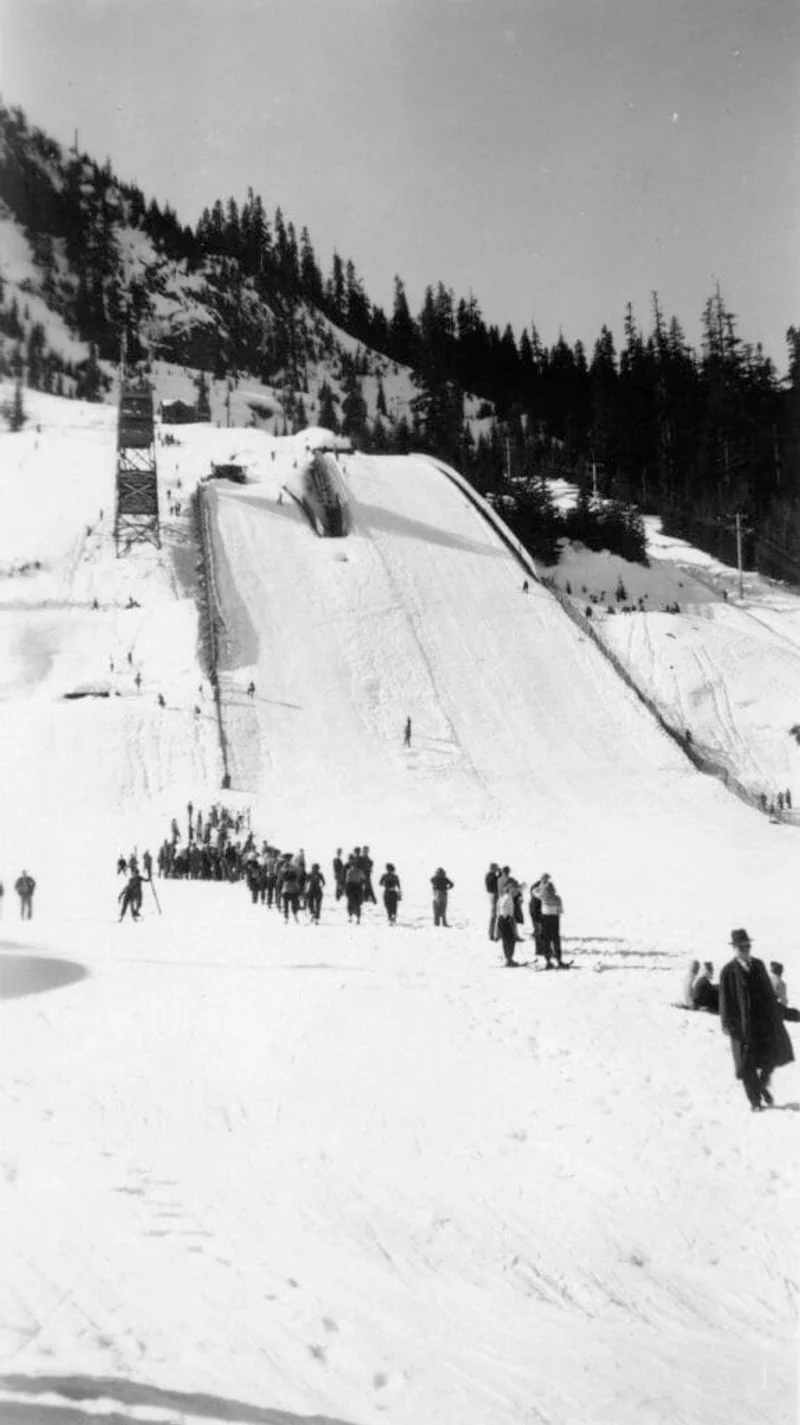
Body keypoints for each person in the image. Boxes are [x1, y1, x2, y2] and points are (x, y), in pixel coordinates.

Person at [718, 929, 794, 1111]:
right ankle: (755, 1102)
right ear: (734, 949)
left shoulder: (759, 965)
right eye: (741, 947)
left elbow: (769, 994)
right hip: (742, 1027)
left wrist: (781, 1014)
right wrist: (727, 1024)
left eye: (747, 946)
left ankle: (761, 1087)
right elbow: (724, 1001)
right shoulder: (728, 972)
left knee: (770, 1059)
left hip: (763, 1024)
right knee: (747, 1067)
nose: (745, 949)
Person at [532, 874, 563, 966]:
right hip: (555, 919)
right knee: (556, 940)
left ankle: (548, 960)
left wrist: (542, 884)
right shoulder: (557, 898)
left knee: (546, 940)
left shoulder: (543, 896)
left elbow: (534, 891)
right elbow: (560, 911)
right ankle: (558, 959)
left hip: (545, 918)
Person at [495, 880, 520, 965]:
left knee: (506, 940)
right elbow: (503, 907)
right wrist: (507, 916)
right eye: (513, 890)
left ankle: (508, 958)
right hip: (506, 920)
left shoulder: (504, 896)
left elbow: (498, 906)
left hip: (502, 919)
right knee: (510, 940)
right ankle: (509, 959)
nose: (515, 891)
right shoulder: (508, 897)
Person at [485, 862, 500, 940]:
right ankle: (492, 934)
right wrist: (500, 872)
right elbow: (496, 883)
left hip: (491, 895)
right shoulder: (492, 876)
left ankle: (492, 933)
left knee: (494, 915)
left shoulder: (489, 875)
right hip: (494, 895)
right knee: (494, 915)